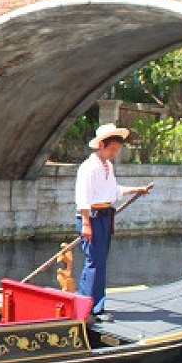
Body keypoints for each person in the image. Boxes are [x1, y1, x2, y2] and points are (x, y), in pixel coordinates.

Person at [75, 123, 154, 323]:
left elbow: (113, 191)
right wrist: (86, 224)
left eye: (117, 150)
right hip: (92, 218)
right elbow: (83, 198)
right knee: (94, 262)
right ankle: (90, 308)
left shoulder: (107, 166)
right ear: (102, 145)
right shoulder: (89, 167)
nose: (114, 153)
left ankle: (93, 305)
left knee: (100, 262)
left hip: (104, 217)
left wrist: (136, 189)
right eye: (112, 149)